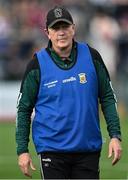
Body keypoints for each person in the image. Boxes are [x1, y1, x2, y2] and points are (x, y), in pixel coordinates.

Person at [16, 6, 122, 179]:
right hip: (52, 151)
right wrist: (22, 150)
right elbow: (23, 109)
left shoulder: (92, 56)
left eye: (65, 27)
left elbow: (108, 97)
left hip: (87, 150)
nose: (61, 32)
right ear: (47, 32)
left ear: (73, 28)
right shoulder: (36, 65)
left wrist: (115, 135)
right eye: (55, 28)